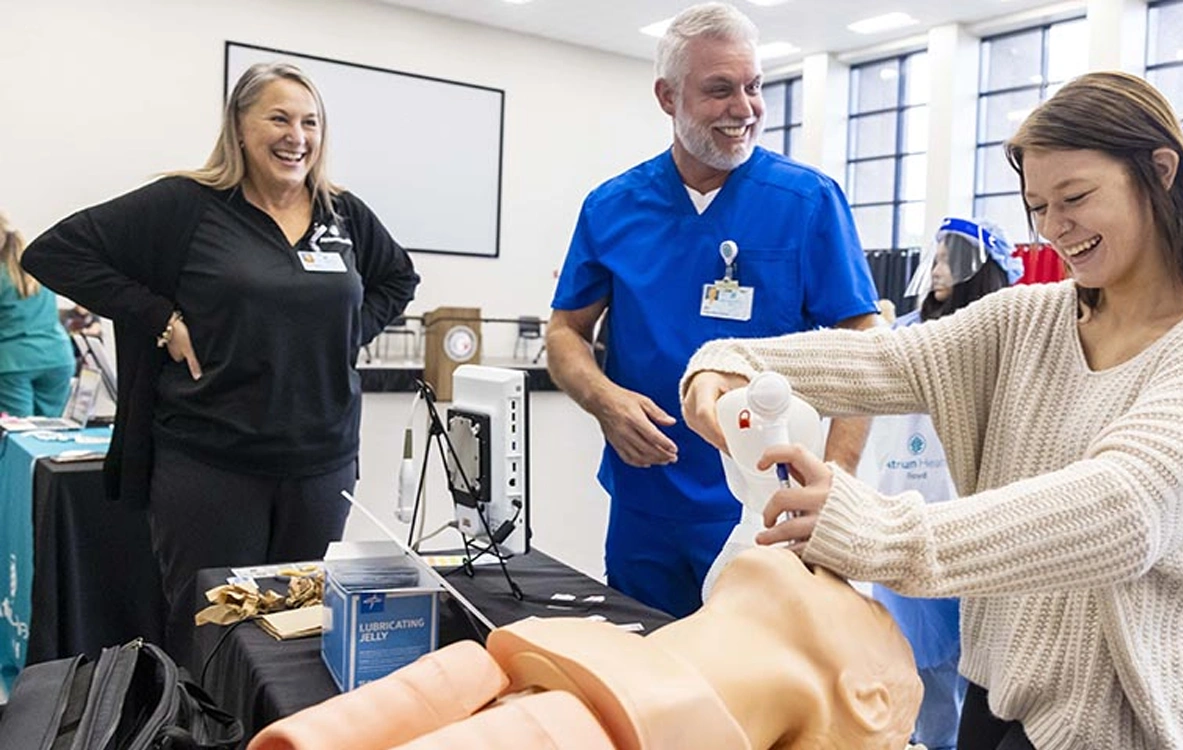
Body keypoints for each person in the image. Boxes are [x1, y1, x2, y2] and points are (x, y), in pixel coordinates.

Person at [680, 71, 1183, 750]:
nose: (1056, 228)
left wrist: (877, 529)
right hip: (997, 695)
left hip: (1109, 724)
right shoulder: (1029, 319)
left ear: (1161, 171)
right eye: (1038, 206)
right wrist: (730, 360)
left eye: (1076, 197)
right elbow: (888, 361)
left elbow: (1123, 509)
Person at [23, 62, 419, 667]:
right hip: (211, 465)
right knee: (209, 634)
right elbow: (56, 251)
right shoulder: (189, 205)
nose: (298, 136)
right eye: (279, 118)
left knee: (297, 642)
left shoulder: (341, 214)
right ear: (239, 127)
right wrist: (159, 317)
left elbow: (398, 277)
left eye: (311, 122)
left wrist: (345, 334)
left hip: (320, 465)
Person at [545, 2, 879, 618]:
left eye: (755, 87)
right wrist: (603, 399)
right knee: (647, 677)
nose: (745, 108)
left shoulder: (807, 203)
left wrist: (834, 481)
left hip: (764, 507)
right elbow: (565, 331)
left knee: (755, 693)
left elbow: (864, 342)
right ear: (667, 96)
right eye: (720, 90)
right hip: (647, 503)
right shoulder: (612, 208)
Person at [248, 546, 923, 750]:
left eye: (863, 601)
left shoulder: (573, 732)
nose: (830, 562)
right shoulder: (496, 675)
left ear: (865, 700)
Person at [859, 217, 1019, 750]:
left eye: (953, 259)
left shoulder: (1006, 340)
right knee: (914, 661)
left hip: (977, 526)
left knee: (979, 670)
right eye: (939, 257)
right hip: (906, 514)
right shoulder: (907, 333)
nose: (940, 270)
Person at [0, 213, 74, 418]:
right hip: (58, 358)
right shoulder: (36, 270)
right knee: (48, 434)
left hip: (13, 363)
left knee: (14, 436)